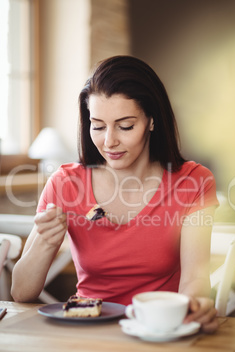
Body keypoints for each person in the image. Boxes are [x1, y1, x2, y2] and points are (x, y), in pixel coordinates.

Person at [11, 55, 219, 333]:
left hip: (157, 330)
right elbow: (21, 293)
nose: (109, 141)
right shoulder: (66, 183)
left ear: (152, 121)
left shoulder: (194, 182)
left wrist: (194, 306)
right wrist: (45, 242)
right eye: (97, 126)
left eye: (125, 126)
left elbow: (194, 278)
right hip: (85, 332)